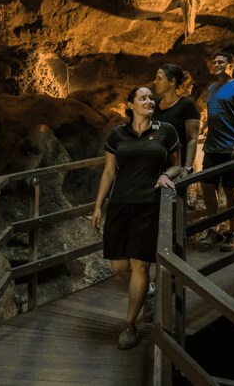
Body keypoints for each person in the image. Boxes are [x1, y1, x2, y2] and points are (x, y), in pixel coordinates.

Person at [91, 87, 181, 350]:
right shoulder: (118, 134)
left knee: (140, 266)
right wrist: (98, 206)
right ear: (129, 105)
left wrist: (168, 175)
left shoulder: (166, 131)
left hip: (148, 205)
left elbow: (176, 164)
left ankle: (129, 325)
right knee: (119, 267)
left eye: (151, 98)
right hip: (120, 205)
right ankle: (148, 292)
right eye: (142, 98)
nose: (149, 101)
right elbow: (109, 172)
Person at [198, 52, 234, 252]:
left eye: (221, 62)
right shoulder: (212, 88)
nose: (216, 65)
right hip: (212, 146)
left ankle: (233, 233)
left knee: (230, 189)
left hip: (232, 147)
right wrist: (205, 128)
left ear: (231, 65)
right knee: (207, 186)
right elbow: (214, 113)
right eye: (214, 62)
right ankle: (214, 228)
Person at [152, 64, 201, 182]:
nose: (155, 82)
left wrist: (187, 167)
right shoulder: (154, 105)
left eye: (159, 78)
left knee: (173, 199)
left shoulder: (187, 106)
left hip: (176, 166)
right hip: (155, 165)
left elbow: (192, 139)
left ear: (172, 81)